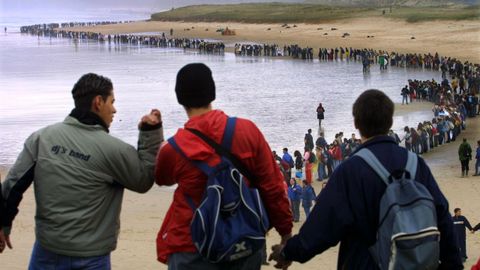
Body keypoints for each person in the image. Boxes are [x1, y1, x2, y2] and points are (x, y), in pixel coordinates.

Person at [269, 89, 462, 269]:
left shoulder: (350, 170)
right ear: (390, 122)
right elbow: (442, 215)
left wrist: (288, 252)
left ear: (356, 124)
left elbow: (322, 227)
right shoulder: (415, 163)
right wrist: (453, 264)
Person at [0, 73, 163, 268]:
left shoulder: (42, 138)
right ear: (98, 102)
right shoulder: (115, 150)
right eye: (112, 102)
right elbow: (143, 180)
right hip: (91, 257)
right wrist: (150, 133)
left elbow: (12, 185)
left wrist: (3, 224)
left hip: (47, 250)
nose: (114, 109)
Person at [154, 63, 292, 269]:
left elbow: (160, 178)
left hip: (191, 244)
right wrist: (286, 233)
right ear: (212, 93)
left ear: (180, 98)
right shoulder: (247, 130)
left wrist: (151, 136)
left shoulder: (173, 148)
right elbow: (272, 185)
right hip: (243, 240)